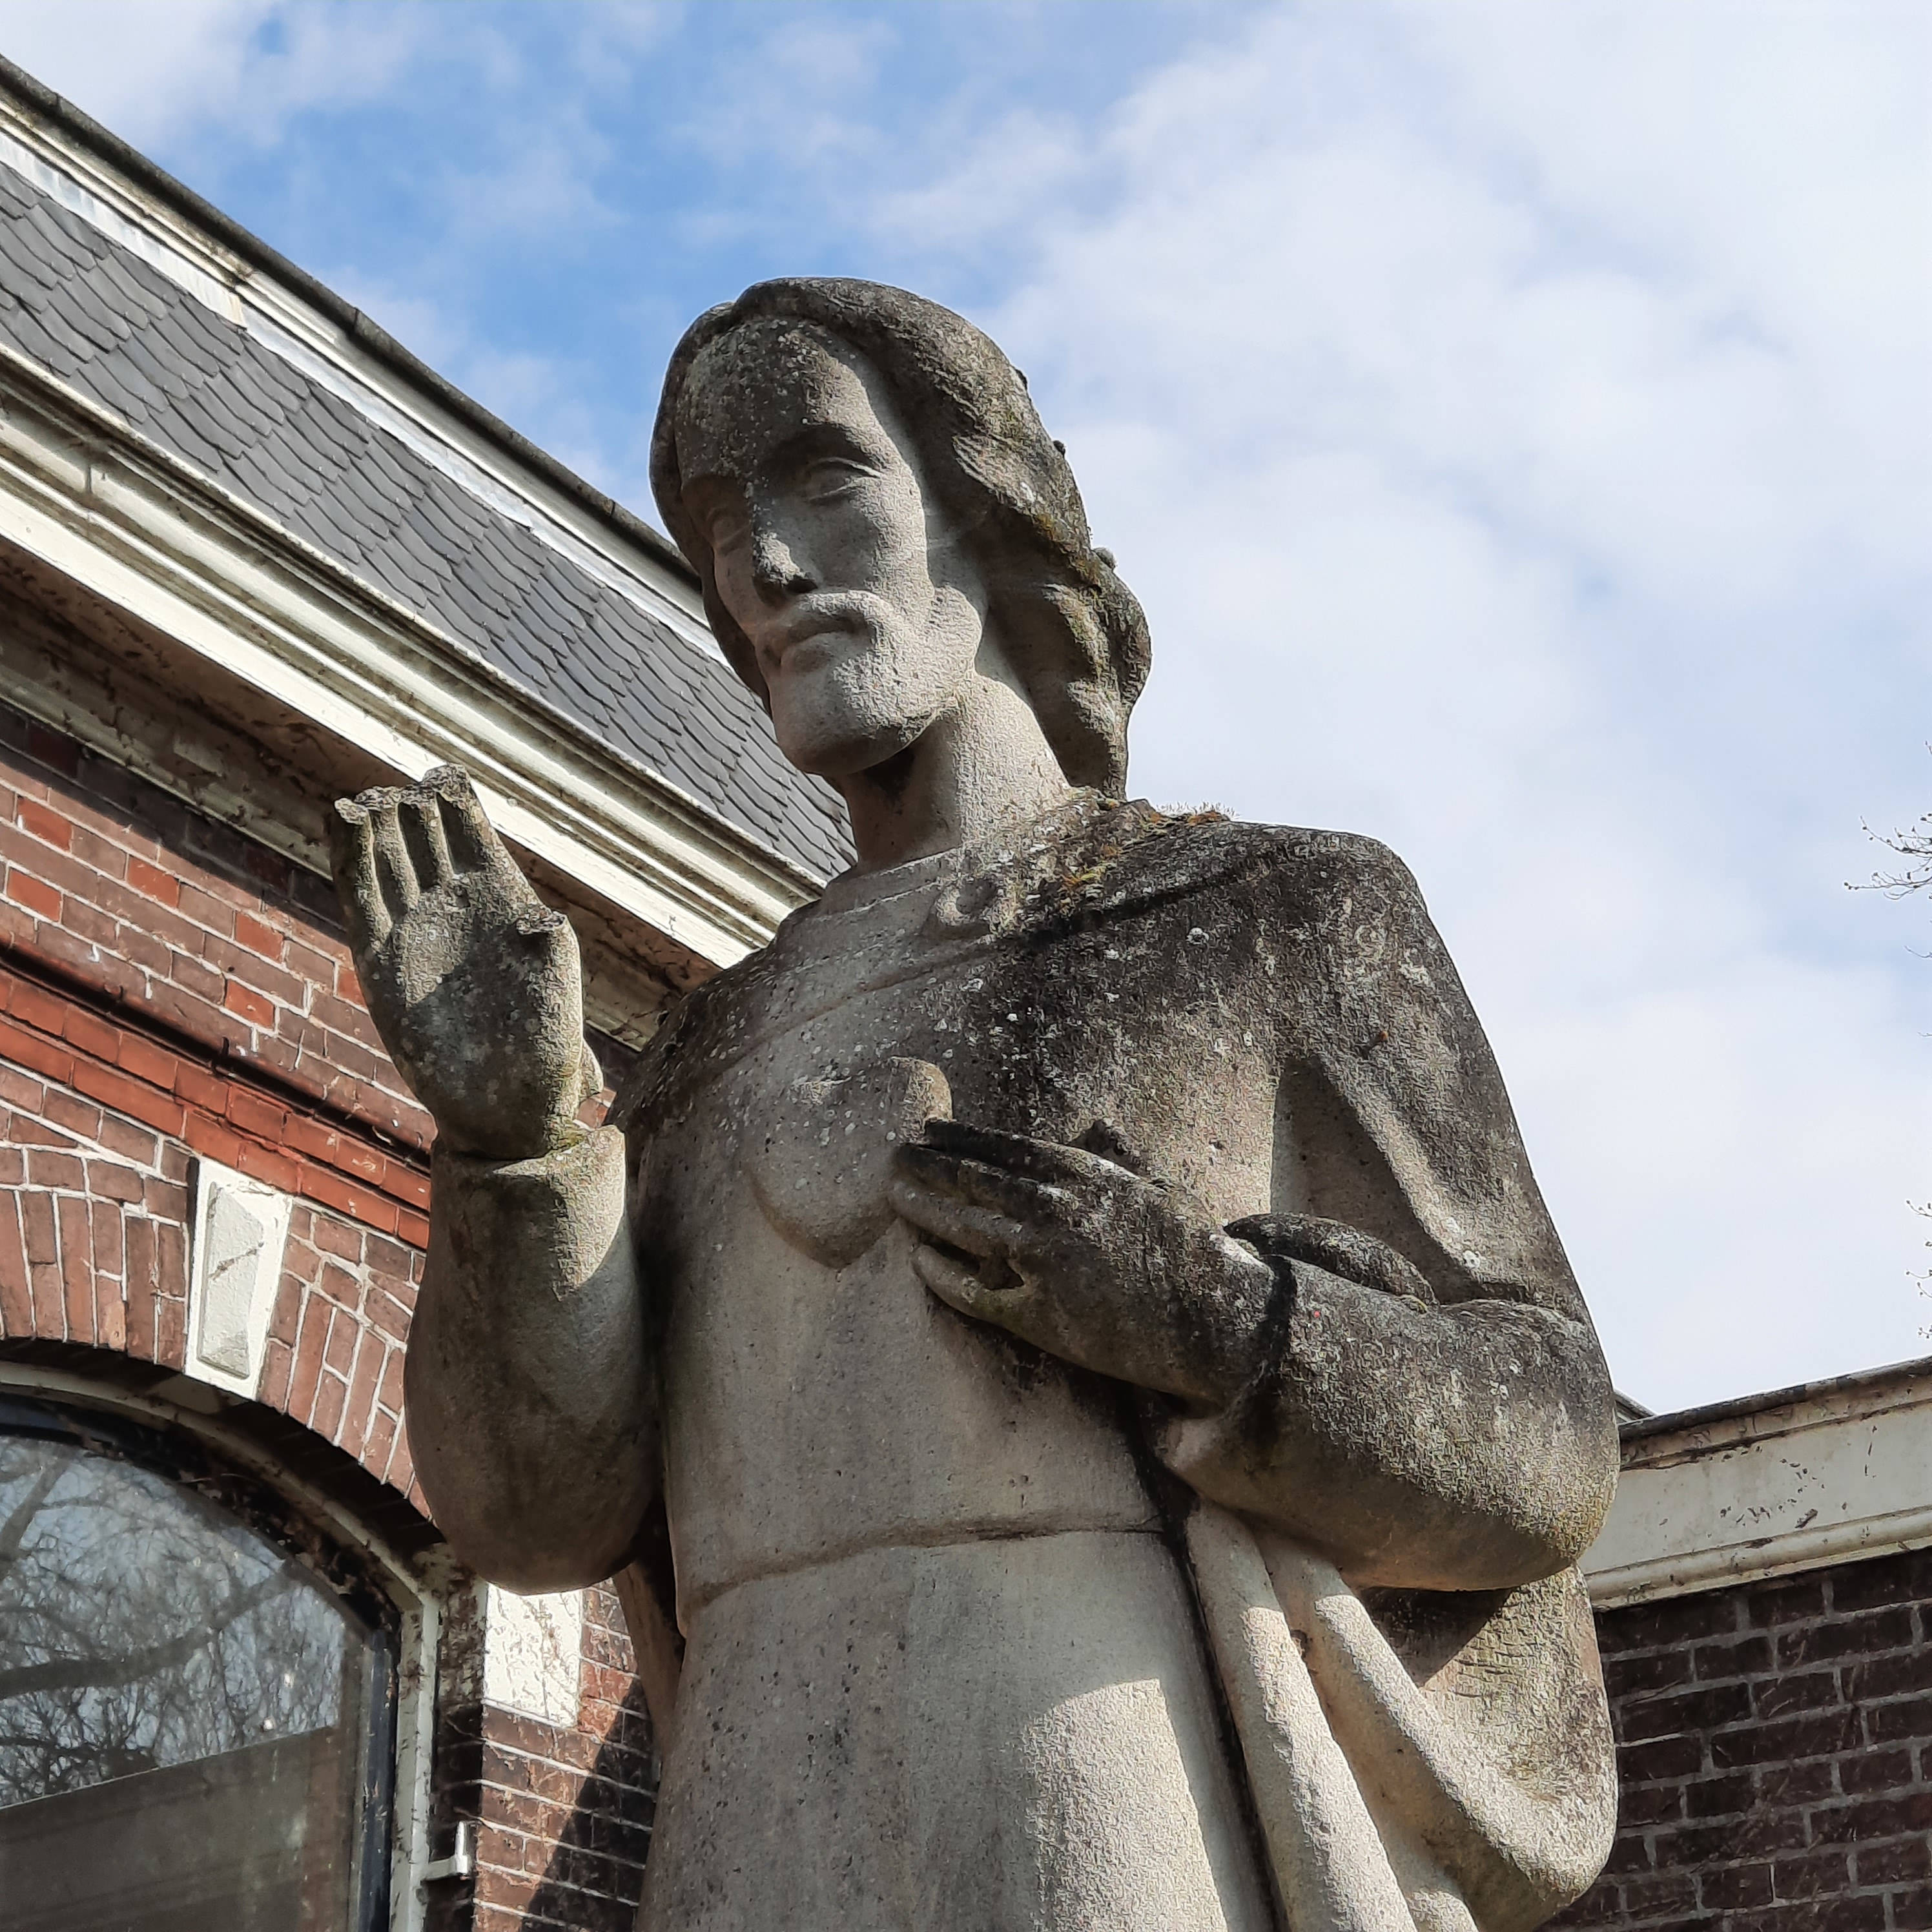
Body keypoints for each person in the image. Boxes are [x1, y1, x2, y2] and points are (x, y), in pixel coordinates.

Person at [330, 279, 1619, 1932]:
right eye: (721, 527)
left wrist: (1215, 1321)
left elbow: (1547, 1434)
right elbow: (534, 1517)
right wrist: (520, 1148)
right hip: (751, 1797)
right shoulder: (708, 1049)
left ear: (982, 504)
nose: (767, 566)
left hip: (1106, 1769)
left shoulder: (1268, 915)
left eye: (821, 480)